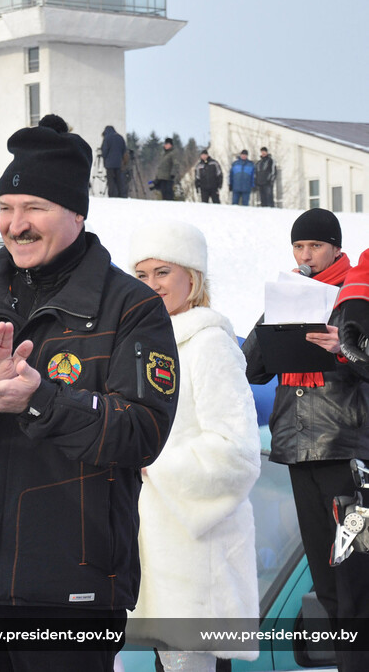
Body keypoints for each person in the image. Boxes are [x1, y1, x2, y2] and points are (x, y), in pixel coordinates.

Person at [0, 114, 179, 671]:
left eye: (34, 208)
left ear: (76, 212)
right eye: (5, 208)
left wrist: (40, 399)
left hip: (69, 592)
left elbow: (142, 433)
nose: (15, 225)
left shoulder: (131, 307)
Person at [129, 220, 261, 672]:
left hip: (196, 555)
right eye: (142, 275)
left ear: (193, 277)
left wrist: (154, 464)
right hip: (153, 546)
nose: (152, 285)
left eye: (163, 272)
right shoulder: (142, 345)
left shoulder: (209, 346)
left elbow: (237, 452)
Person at [241, 208, 369, 672]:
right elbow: (251, 367)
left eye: (314, 246)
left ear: (335, 246)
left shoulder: (356, 292)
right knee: (327, 583)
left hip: (347, 450)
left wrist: (344, 348)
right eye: (298, 247)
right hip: (297, 451)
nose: (306, 256)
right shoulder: (287, 293)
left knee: (357, 583)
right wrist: (274, 331)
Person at [100, 125, 128, 198]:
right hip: (119, 163)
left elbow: (104, 151)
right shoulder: (120, 137)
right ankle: (121, 195)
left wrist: (105, 160)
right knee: (119, 180)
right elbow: (124, 151)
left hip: (109, 164)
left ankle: (112, 195)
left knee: (111, 181)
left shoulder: (107, 138)